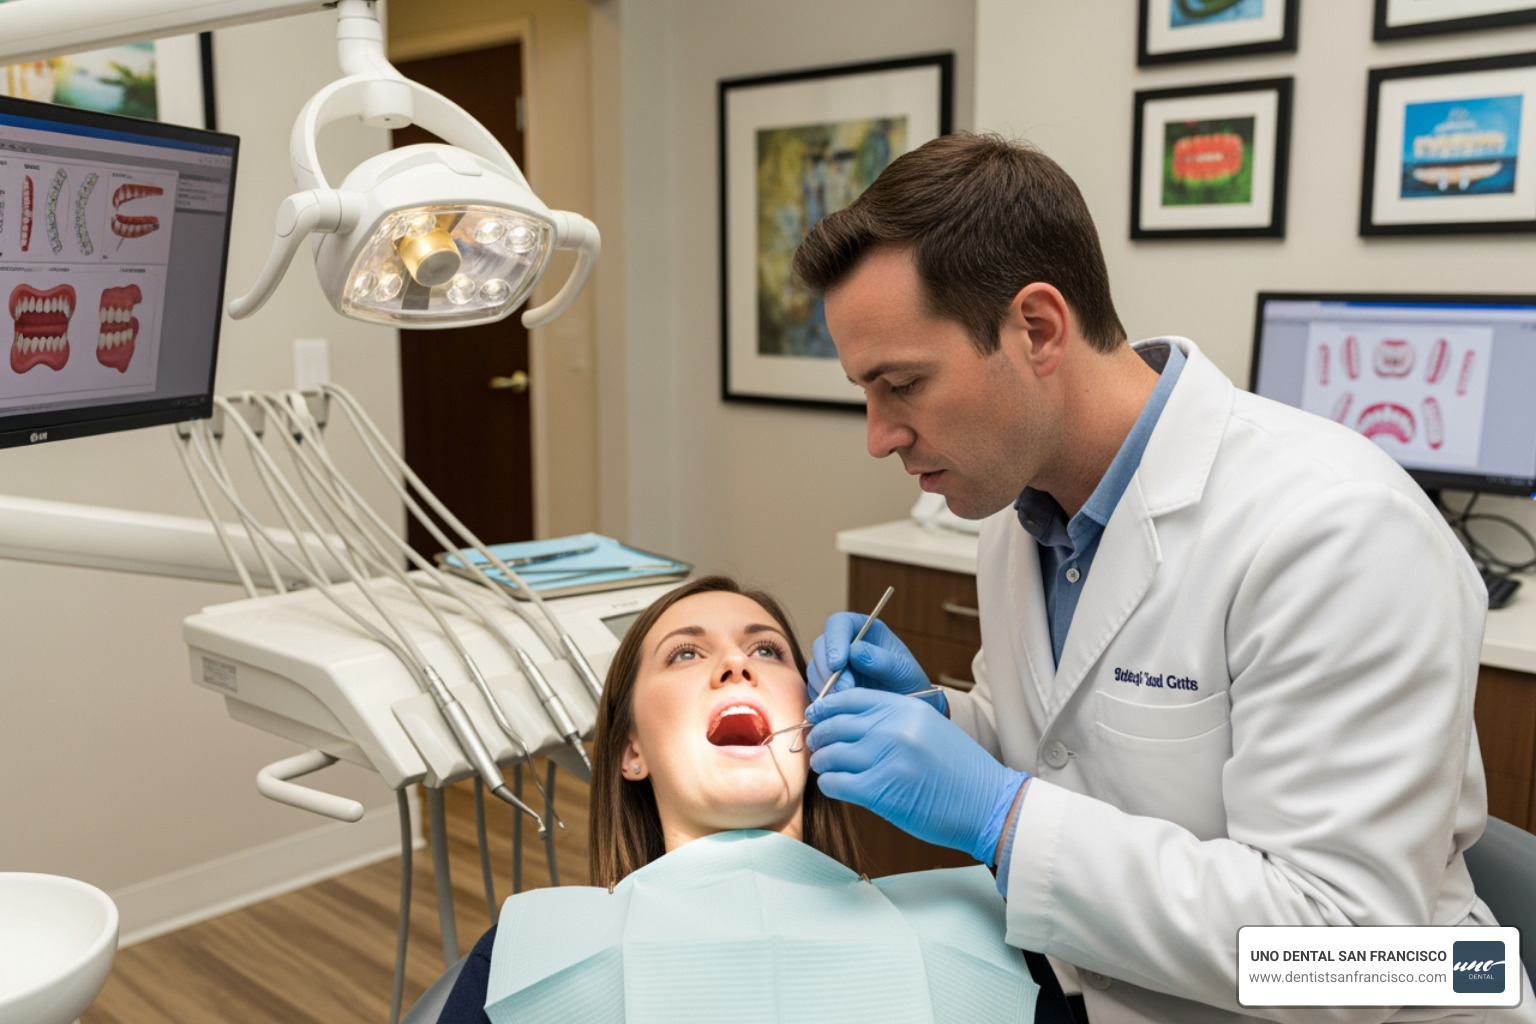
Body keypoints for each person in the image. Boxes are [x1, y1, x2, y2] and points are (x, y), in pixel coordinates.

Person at [791, 132, 1533, 1024]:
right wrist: (949, 723)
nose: (879, 435)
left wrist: (1001, 817)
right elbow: (1081, 752)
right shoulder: (1019, 507)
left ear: (1036, 328)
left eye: (901, 384)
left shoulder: (1337, 530)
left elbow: (1348, 955)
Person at [436, 574, 1071, 1024]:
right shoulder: (530, 957)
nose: (736, 665)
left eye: (766, 650)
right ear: (631, 749)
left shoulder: (979, 934)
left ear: (816, 713)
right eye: (685, 653)